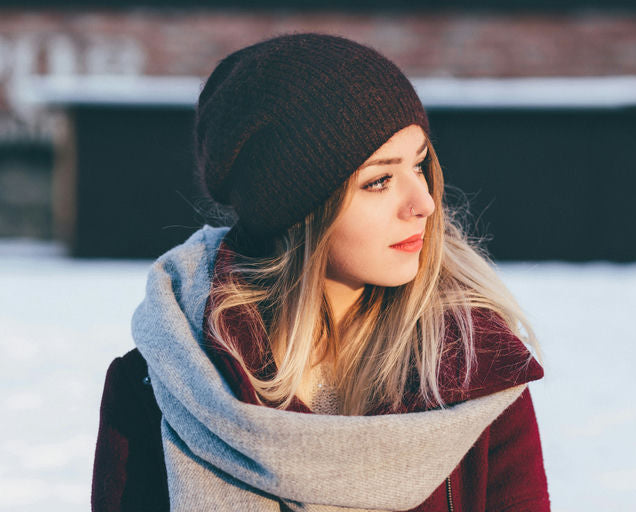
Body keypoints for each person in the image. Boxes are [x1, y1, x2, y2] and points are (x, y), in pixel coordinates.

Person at [91, 32, 550, 512]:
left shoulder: (472, 374)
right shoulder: (166, 386)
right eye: (379, 181)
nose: (424, 203)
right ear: (298, 211)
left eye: (419, 165)